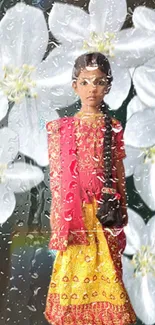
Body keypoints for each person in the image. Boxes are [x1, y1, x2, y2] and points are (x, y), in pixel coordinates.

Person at [44, 52, 136, 325]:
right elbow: (57, 177)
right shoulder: (61, 130)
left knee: (107, 266)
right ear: (74, 86)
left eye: (97, 82)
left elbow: (118, 175)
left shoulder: (113, 127)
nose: (91, 89)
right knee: (71, 268)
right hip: (72, 215)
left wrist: (122, 211)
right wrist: (55, 211)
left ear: (107, 86)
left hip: (103, 214)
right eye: (84, 82)